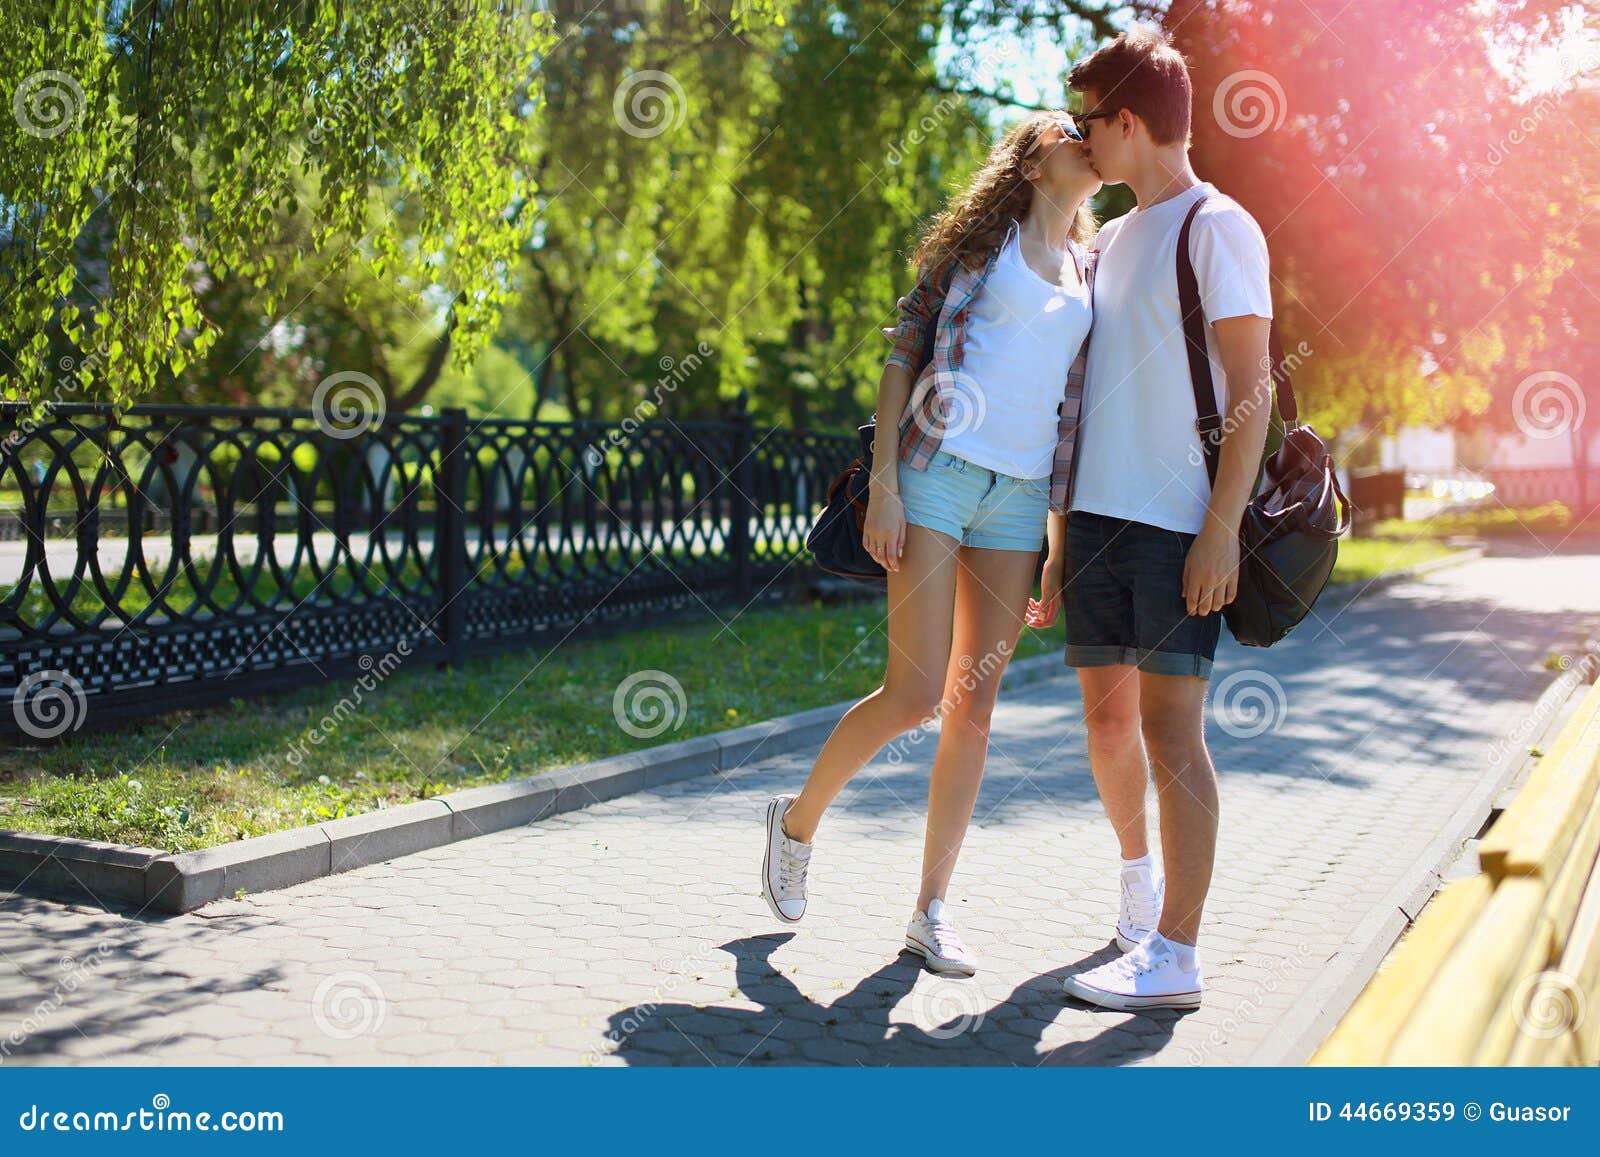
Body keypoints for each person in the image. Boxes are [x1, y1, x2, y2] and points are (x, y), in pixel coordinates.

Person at [761, 112, 1101, 977]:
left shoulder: (1090, 269)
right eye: (1072, 131)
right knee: (914, 694)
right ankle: (796, 824)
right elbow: (903, 351)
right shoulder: (979, 252)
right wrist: (882, 484)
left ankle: (931, 911)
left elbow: (1072, 411)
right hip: (938, 473)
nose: (1088, 141)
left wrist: (1058, 540)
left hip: (1020, 501)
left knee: (974, 709)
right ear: (1033, 160)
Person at [1027, 24, 1275, 1011]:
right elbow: (1078, 398)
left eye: (1089, 121)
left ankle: (1176, 952)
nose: (1082, 139)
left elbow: (1253, 384)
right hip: (1094, 523)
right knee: (1103, 719)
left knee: (1174, 733)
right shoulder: (1109, 240)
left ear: (1128, 122)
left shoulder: (1218, 226)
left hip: (1178, 525)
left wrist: (1221, 524)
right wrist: (1055, 542)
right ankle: (1137, 892)